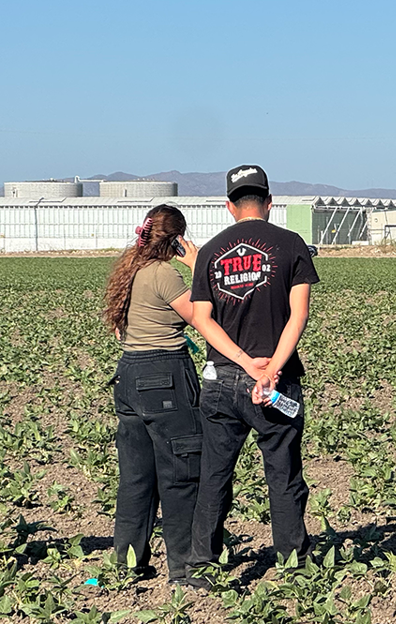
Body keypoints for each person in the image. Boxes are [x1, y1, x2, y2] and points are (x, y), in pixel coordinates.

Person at [186, 165, 320, 586]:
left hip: (222, 380)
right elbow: (299, 314)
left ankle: (201, 565)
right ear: (269, 201)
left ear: (230, 206)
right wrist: (270, 368)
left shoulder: (209, 252)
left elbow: (202, 320)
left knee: (215, 474)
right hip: (275, 381)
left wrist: (244, 362)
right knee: (282, 474)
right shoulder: (291, 244)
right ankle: (292, 564)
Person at [102, 204, 203, 585]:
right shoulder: (163, 275)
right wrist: (198, 268)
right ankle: (185, 568)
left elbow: (120, 328)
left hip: (128, 375)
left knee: (136, 478)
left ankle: (129, 564)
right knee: (180, 473)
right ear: (177, 240)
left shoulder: (131, 271)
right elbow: (200, 316)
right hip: (165, 376)